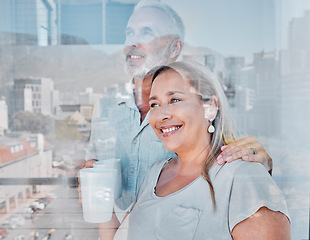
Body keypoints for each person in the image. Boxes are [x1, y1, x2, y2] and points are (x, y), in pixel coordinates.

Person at [82, 0, 273, 238]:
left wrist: (258, 162)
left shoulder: (204, 119)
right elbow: (99, 181)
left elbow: (240, 158)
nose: (133, 41)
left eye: (147, 32)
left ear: (174, 47)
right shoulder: (107, 109)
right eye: (129, 32)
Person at [114, 61, 290, 240]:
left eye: (175, 100)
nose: (162, 114)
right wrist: (102, 200)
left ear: (210, 107)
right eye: (154, 105)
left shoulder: (244, 176)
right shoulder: (154, 174)